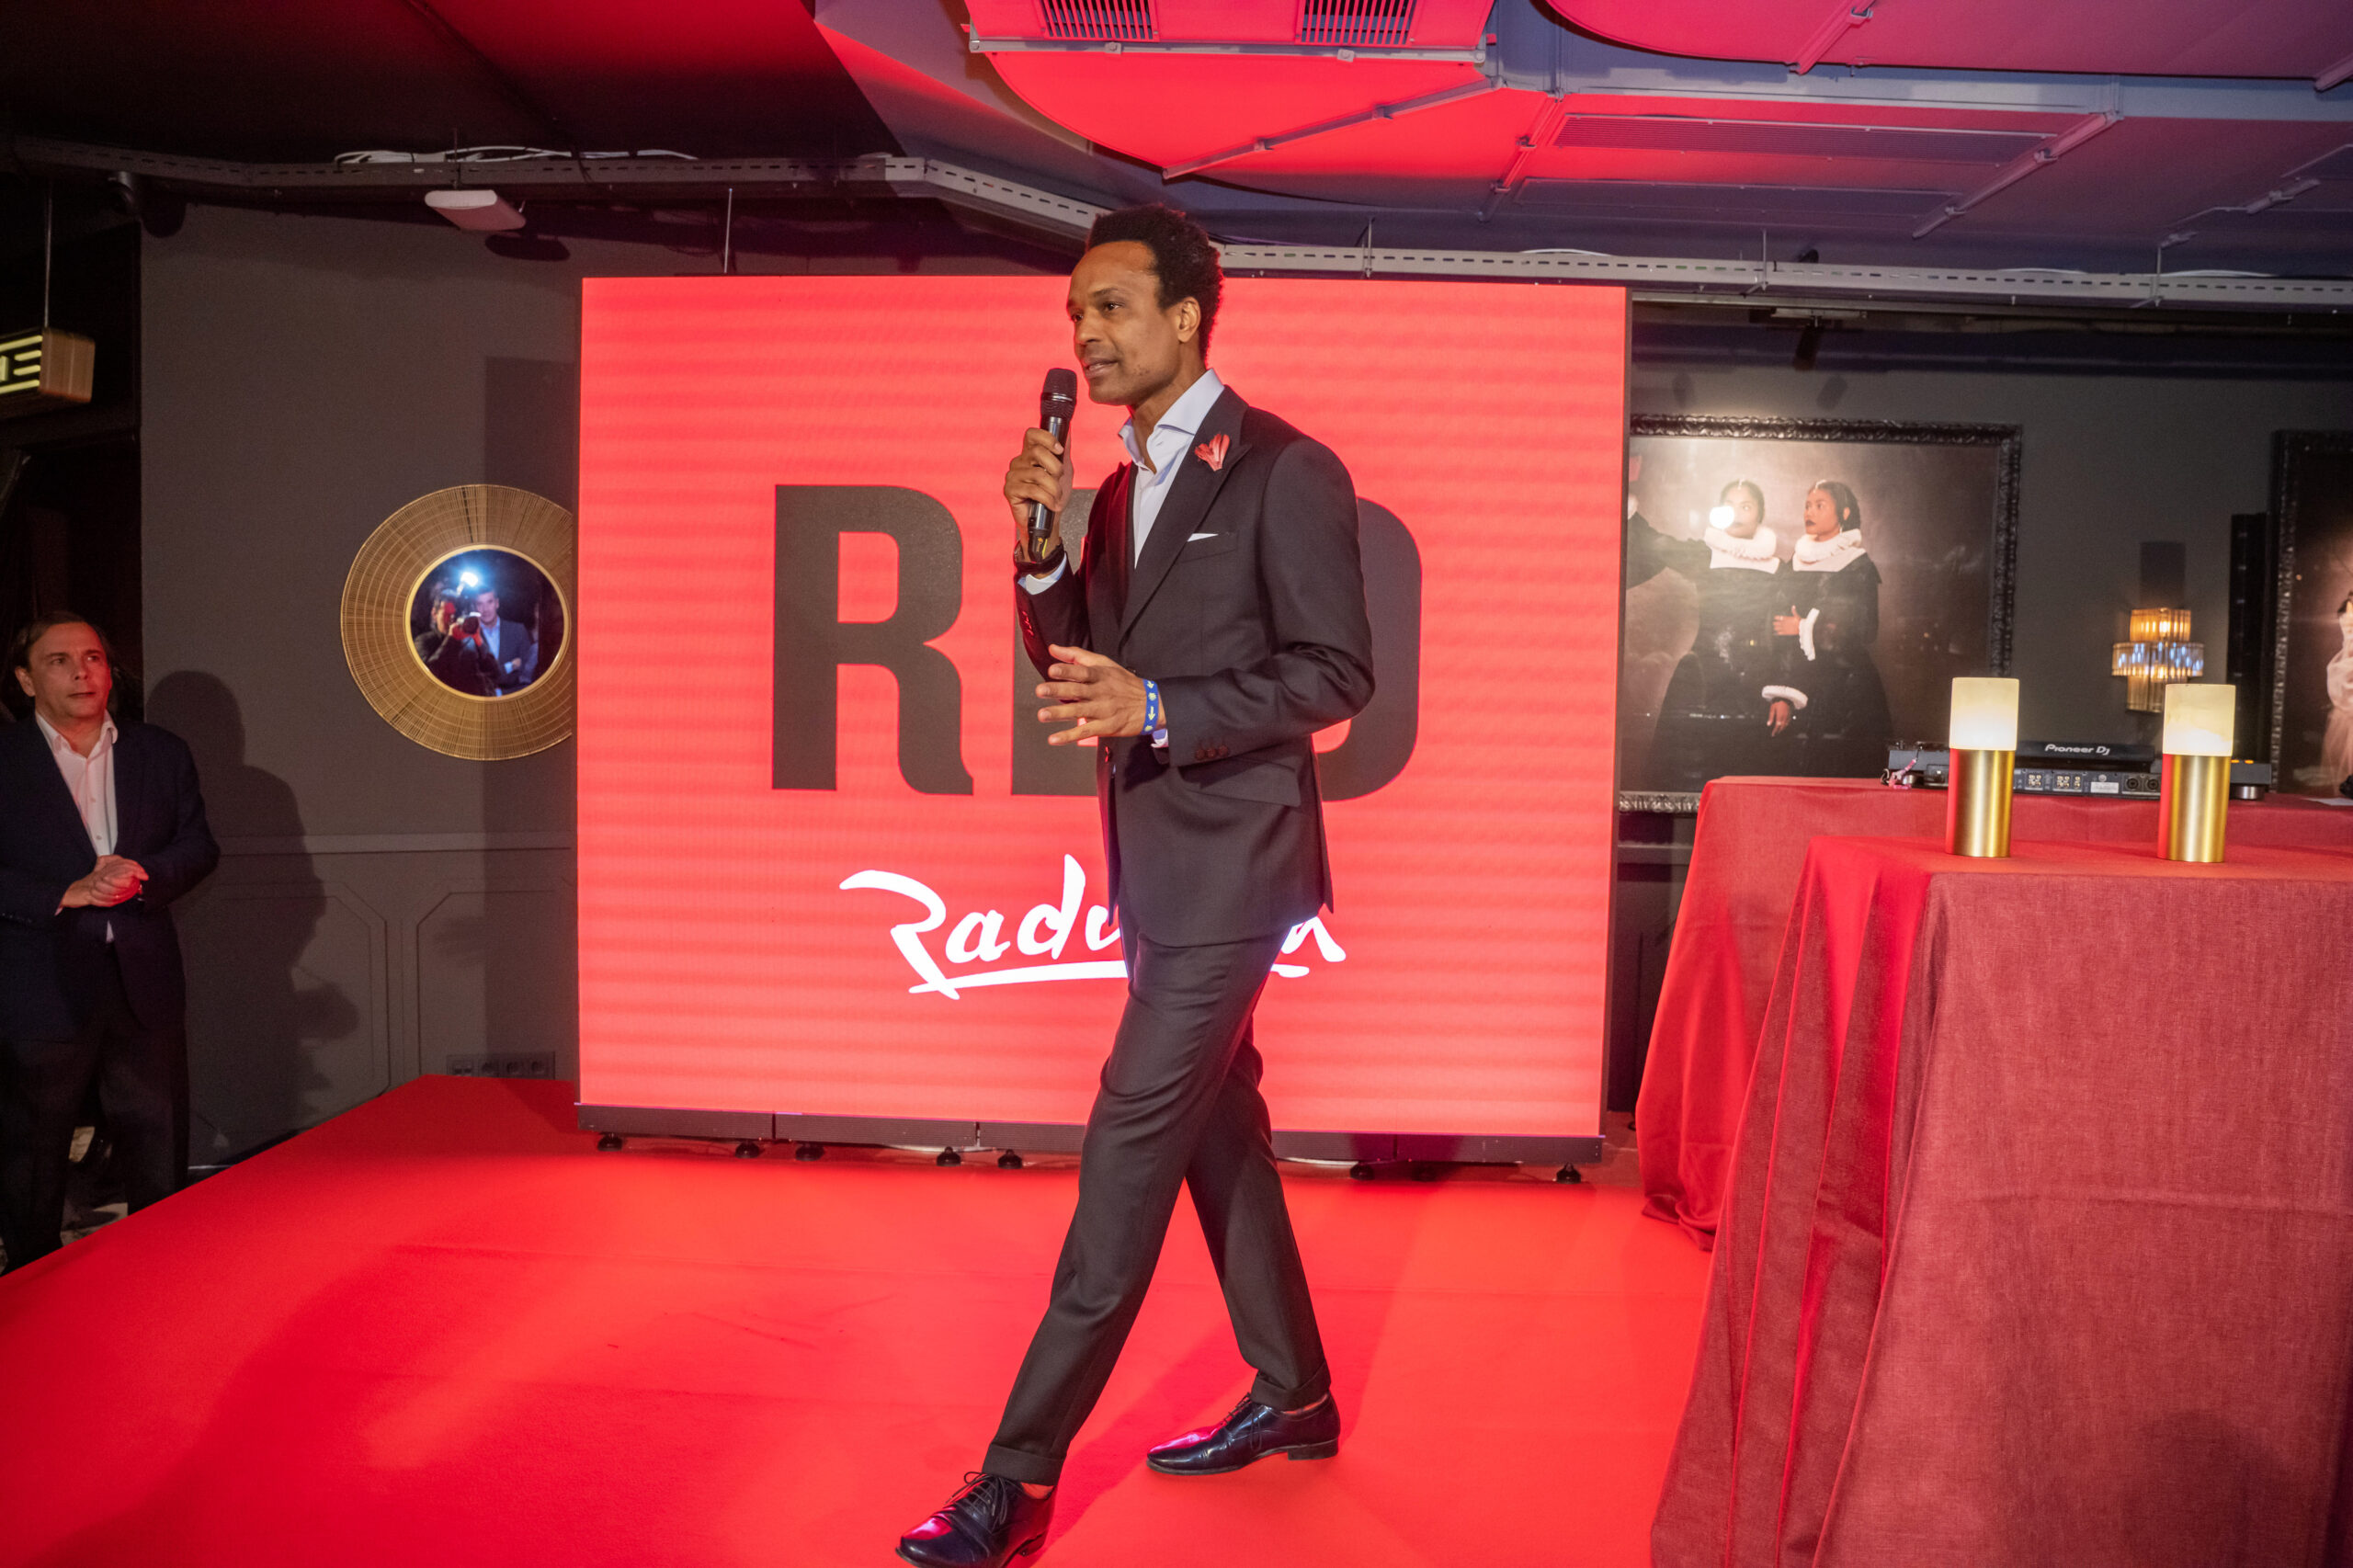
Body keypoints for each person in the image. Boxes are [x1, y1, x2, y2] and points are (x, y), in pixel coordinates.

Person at [896, 204, 1374, 1568]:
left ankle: (1015, 1479)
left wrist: (1162, 705)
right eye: (1076, 314)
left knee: (1123, 1153)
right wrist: (1040, 548)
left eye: (1111, 307)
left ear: (1186, 317)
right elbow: (1075, 660)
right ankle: (1296, 1391)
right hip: (1155, 864)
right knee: (1222, 1135)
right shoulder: (1113, 491)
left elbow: (1338, 672)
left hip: (1236, 871)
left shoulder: (1285, 467)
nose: (1087, 335)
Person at [0, 614, 219, 1270]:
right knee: (32, 1158)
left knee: (157, 1148)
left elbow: (198, 846)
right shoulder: (5, 760)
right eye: (59, 661)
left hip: (143, 983)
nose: (82, 673)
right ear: (26, 680)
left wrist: (145, 873)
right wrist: (65, 892)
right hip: (40, 987)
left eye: (92, 657)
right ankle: (34, 1290)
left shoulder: (160, 752)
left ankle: (158, 1280)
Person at [1637, 478, 1788, 789]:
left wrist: (1782, 693)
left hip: (1757, 682)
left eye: (1746, 506)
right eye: (1729, 506)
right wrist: (1628, 510)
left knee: (1750, 772)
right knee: (1696, 769)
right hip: (1703, 678)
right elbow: (1659, 545)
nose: (1738, 513)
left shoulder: (1779, 569)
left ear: (1760, 514)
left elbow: (1786, 636)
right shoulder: (1705, 555)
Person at [1762, 479, 1893, 776]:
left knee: (1842, 770)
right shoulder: (1795, 564)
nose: (1810, 512)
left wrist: (1805, 627)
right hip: (1801, 684)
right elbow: (1778, 628)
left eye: (1820, 506)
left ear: (1844, 513)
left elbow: (1865, 628)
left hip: (1847, 691)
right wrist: (1783, 694)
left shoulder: (1857, 566)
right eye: (1807, 506)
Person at [414, 585, 500, 697]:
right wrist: (451, 639)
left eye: (455, 615)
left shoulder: (469, 642)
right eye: (447, 614)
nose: (451, 619)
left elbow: (495, 673)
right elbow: (428, 675)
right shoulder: (424, 641)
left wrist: (478, 641)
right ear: (434, 614)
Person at [472, 586, 538, 695]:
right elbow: (476, 678)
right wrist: (510, 666)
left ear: (497, 603)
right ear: (475, 608)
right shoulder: (471, 637)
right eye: (480, 604)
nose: (485, 609)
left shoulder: (518, 630)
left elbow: (527, 675)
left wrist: (500, 691)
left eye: (489, 602)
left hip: (514, 697)